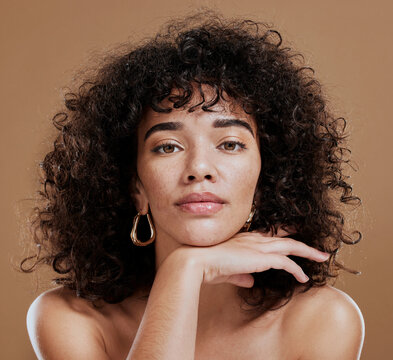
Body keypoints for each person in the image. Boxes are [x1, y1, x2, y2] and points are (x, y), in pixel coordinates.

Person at [21, 9, 365, 360]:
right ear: (135, 188)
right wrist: (181, 274)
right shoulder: (69, 318)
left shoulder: (322, 320)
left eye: (230, 144)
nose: (199, 168)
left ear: (266, 181)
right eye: (167, 147)